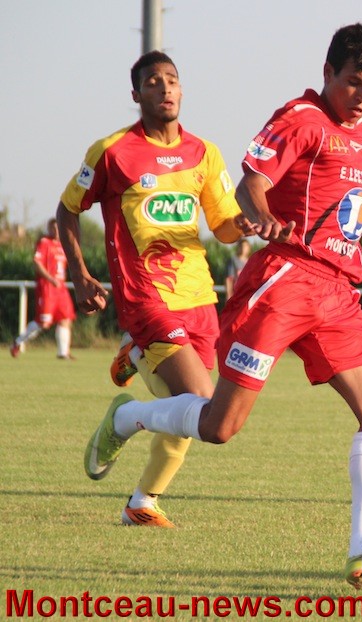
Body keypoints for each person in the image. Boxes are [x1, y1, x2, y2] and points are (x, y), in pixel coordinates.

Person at [83, 24, 362, 587]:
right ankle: (127, 417)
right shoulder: (300, 118)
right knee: (220, 426)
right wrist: (263, 216)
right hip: (284, 281)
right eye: (354, 83)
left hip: (336, 292)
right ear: (328, 73)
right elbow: (252, 181)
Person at [57, 50, 250, 527]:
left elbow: (224, 226)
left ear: (182, 90)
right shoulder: (112, 152)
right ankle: (123, 417)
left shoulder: (204, 153)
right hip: (146, 297)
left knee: (187, 412)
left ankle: (142, 502)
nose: (165, 88)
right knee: (202, 399)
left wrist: (246, 223)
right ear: (136, 94)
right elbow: (67, 210)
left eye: (172, 80)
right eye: (152, 82)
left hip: (200, 299)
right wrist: (79, 274)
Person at [10, 218, 76, 359]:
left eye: (58, 228)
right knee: (43, 323)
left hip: (61, 288)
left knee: (65, 318)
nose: (56, 231)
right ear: (49, 229)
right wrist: (50, 278)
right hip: (47, 287)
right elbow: (37, 263)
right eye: (53, 228)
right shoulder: (44, 243)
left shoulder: (63, 245)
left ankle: (63, 353)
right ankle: (17, 342)